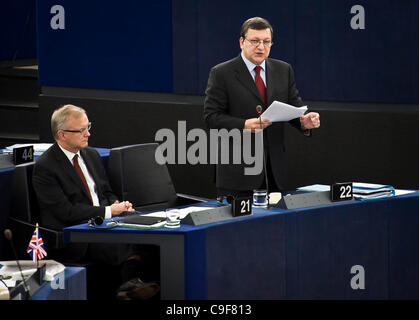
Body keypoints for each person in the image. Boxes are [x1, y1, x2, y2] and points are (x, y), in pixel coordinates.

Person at [32, 104, 160, 300]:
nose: (88, 134)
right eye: (81, 130)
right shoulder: (45, 167)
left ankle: (140, 287)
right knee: (123, 244)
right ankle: (130, 289)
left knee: (154, 234)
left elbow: (105, 192)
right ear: (62, 134)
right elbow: (66, 212)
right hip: (76, 233)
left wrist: (119, 205)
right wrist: (109, 211)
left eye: (88, 127)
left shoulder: (90, 155)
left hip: (105, 222)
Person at [203, 17, 320, 197]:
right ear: (242, 42)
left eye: (266, 42)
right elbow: (211, 118)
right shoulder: (221, 73)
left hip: (274, 173)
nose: (261, 47)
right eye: (255, 41)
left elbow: (294, 108)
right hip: (238, 173)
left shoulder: (283, 70)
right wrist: (244, 125)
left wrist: (304, 122)